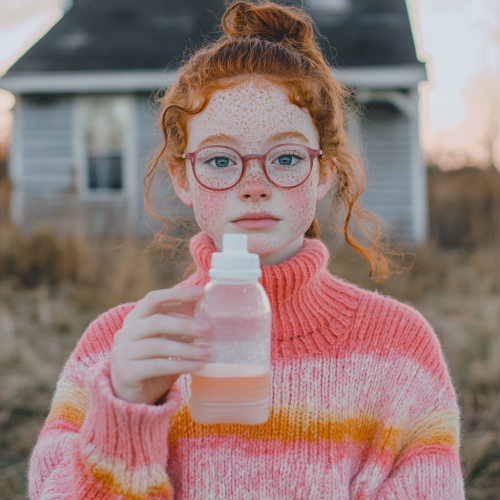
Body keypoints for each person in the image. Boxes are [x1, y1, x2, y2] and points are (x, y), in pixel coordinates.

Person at [28, 1, 465, 498]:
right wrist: (125, 413)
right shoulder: (117, 349)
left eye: (284, 157)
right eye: (218, 160)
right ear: (183, 178)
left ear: (323, 172)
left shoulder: (401, 351)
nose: (254, 184)